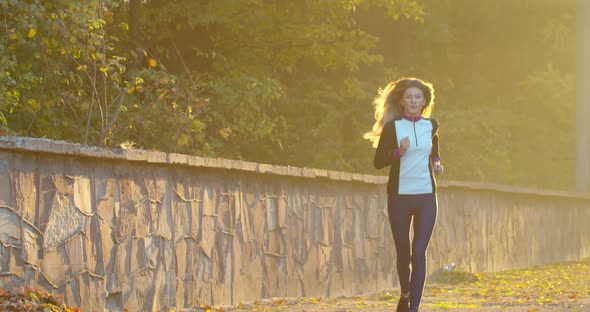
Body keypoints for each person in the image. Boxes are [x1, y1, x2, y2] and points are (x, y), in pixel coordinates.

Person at [364, 77, 443, 312]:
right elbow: (378, 162)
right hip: (399, 196)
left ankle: (413, 308)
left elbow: (435, 152)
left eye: (418, 97)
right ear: (401, 100)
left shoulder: (432, 125)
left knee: (419, 252)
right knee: (403, 253)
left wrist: (438, 163)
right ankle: (405, 293)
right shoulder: (393, 128)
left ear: (424, 100)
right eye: (409, 97)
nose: (413, 101)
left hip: (426, 196)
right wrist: (399, 152)